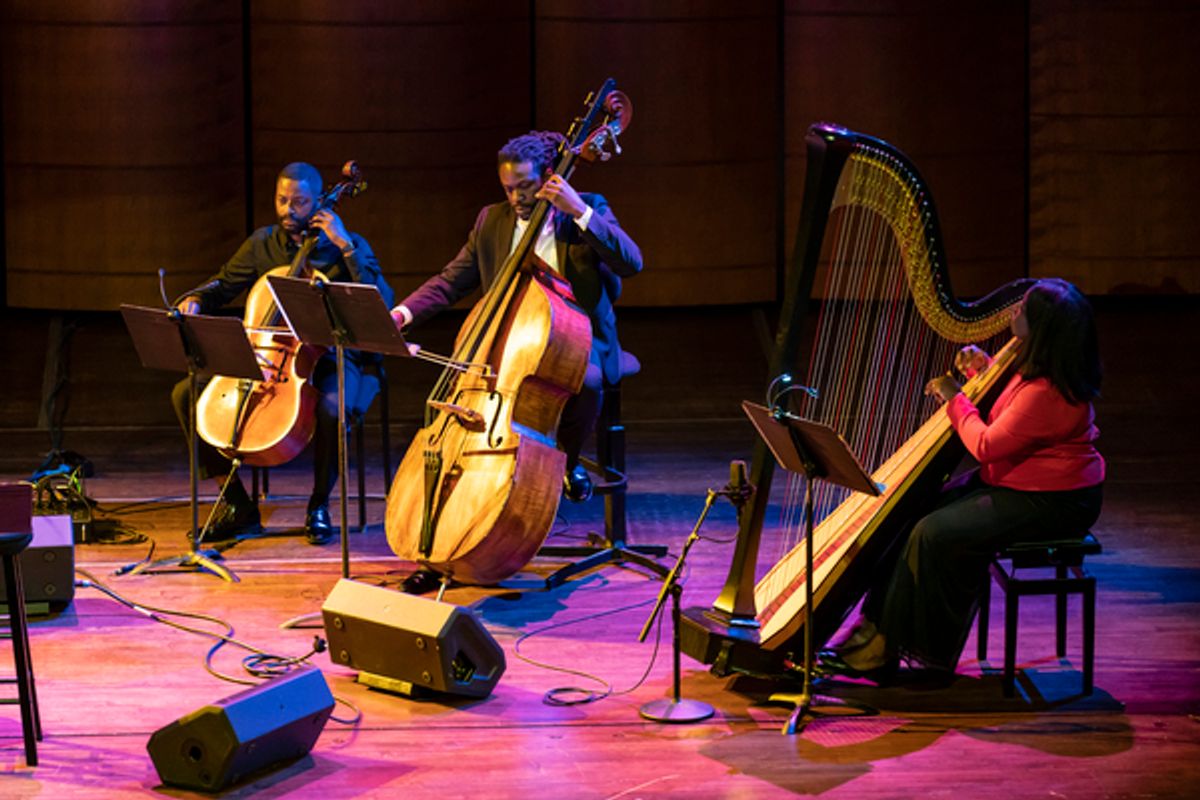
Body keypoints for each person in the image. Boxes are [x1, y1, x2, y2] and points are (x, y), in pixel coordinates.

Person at [820, 278, 1105, 680]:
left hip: (1054, 502)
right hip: (1017, 483)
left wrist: (955, 397)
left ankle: (906, 649)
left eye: (1022, 309)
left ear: (1040, 328)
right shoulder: (1036, 366)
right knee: (911, 512)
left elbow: (985, 445)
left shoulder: (1048, 392)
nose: (1012, 313)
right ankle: (874, 631)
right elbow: (1012, 411)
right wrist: (982, 370)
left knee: (932, 532)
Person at [391, 130, 642, 505]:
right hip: (510, 339)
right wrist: (401, 313)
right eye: (508, 188)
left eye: (524, 186)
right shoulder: (491, 220)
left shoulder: (586, 207)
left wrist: (579, 211)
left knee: (587, 381)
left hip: (579, 340)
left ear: (548, 176)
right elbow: (451, 281)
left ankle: (563, 463)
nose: (516, 198)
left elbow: (631, 262)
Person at [171, 162, 394, 545]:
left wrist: (346, 246)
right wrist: (195, 297)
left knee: (331, 407)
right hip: (268, 356)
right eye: (282, 200)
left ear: (318, 202)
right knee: (187, 394)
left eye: (300, 202)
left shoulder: (345, 244)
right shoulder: (262, 243)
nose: (288, 210)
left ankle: (319, 504)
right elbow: (223, 284)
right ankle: (237, 504)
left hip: (333, 355)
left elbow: (383, 302)